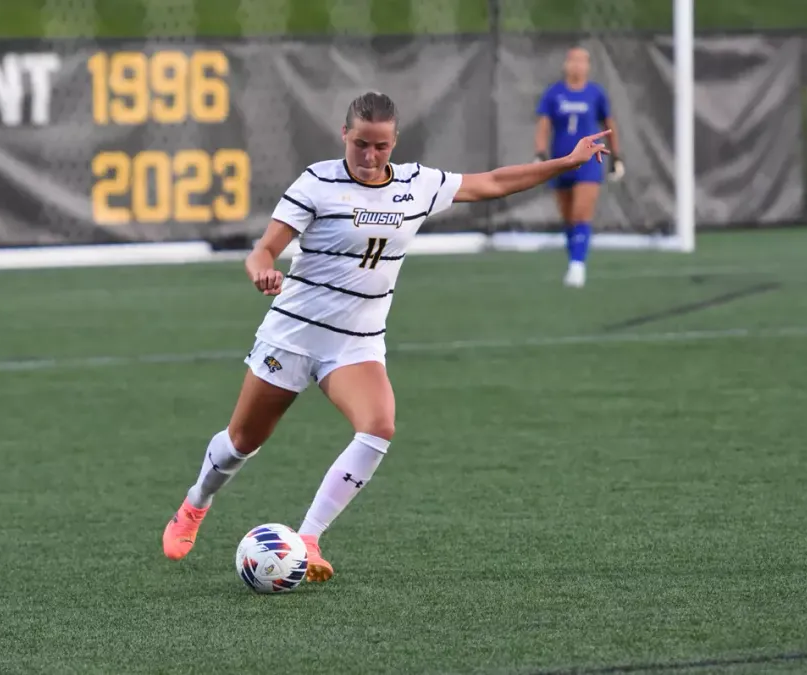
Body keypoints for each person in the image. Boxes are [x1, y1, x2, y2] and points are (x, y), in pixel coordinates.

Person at [163, 91, 609, 583]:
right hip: (292, 336)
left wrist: (567, 162)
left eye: (381, 146)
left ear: (395, 140)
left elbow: (493, 183)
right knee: (242, 441)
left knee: (379, 426)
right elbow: (263, 250)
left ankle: (309, 538)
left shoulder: (418, 184)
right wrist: (262, 272)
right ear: (344, 136)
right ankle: (195, 504)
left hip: (356, 342)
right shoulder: (317, 182)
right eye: (360, 145)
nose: (371, 157)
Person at [535, 46, 624, 288]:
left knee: (580, 213)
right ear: (566, 64)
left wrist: (616, 156)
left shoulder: (596, 94)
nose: (576, 65)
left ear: (588, 66)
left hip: (588, 163)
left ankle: (577, 265)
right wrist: (540, 153)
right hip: (561, 162)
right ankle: (573, 260)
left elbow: (609, 124)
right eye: (572, 60)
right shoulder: (554, 94)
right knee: (567, 218)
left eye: (582, 61)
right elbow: (544, 124)